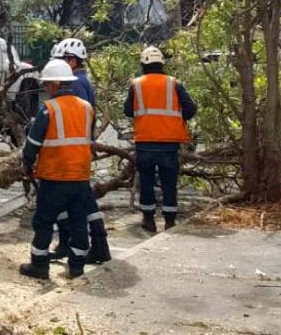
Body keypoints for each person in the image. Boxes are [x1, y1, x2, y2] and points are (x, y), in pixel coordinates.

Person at [19, 59, 96, 280]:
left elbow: (32, 144)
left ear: (53, 84)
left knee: (44, 221)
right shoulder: (86, 108)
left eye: (46, 85)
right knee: (78, 221)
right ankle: (77, 264)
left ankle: (40, 265)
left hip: (55, 176)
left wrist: (27, 163)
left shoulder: (48, 109)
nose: (45, 89)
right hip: (80, 176)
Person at [48, 38, 109, 264]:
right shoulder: (84, 82)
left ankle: (81, 244)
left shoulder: (74, 85)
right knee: (80, 199)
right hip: (79, 151)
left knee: (76, 199)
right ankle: (93, 244)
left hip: (70, 154)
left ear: (71, 61)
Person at [124, 46, 197, 233]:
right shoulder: (174, 84)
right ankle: (170, 221)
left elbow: (127, 111)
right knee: (169, 183)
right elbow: (190, 109)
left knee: (146, 181)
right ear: (162, 63)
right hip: (169, 143)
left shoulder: (136, 84)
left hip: (145, 142)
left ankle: (148, 219)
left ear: (143, 64)